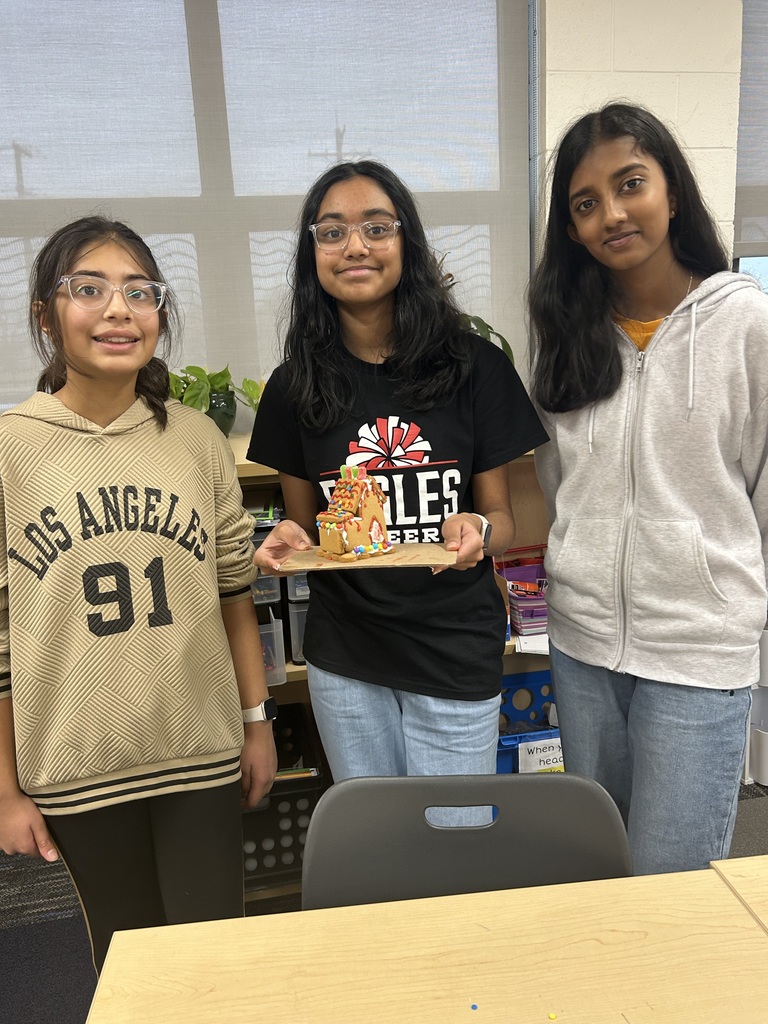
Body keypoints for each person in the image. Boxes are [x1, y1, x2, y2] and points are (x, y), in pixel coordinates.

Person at [0, 216, 277, 971]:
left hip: (198, 751)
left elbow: (234, 598)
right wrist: (5, 791)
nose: (118, 309)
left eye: (139, 291)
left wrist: (257, 723)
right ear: (44, 315)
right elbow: (0, 649)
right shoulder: (9, 450)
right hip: (77, 766)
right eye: (89, 289)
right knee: (127, 966)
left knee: (216, 957)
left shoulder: (195, 440)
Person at [248, 160, 548, 803]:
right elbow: (309, 528)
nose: (354, 246)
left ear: (406, 243)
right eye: (331, 232)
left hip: (455, 645)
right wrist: (288, 541)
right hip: (348, 655)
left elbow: (503, 521)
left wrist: (479, 528)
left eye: (376, 228)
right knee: (375, 837)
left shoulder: (475, 368)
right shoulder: (294, 384)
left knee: (454, 839)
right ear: (313, 254)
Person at [529, 102, 768, 874]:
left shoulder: (746, 325)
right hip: (582, 646)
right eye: (585, 203)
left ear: (672, 190)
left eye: (631, 184)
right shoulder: (569, 330)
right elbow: (558, 484)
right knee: (595, 867)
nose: (612, 214)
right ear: (571, 229)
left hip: (699, 655)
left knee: (674, 884)